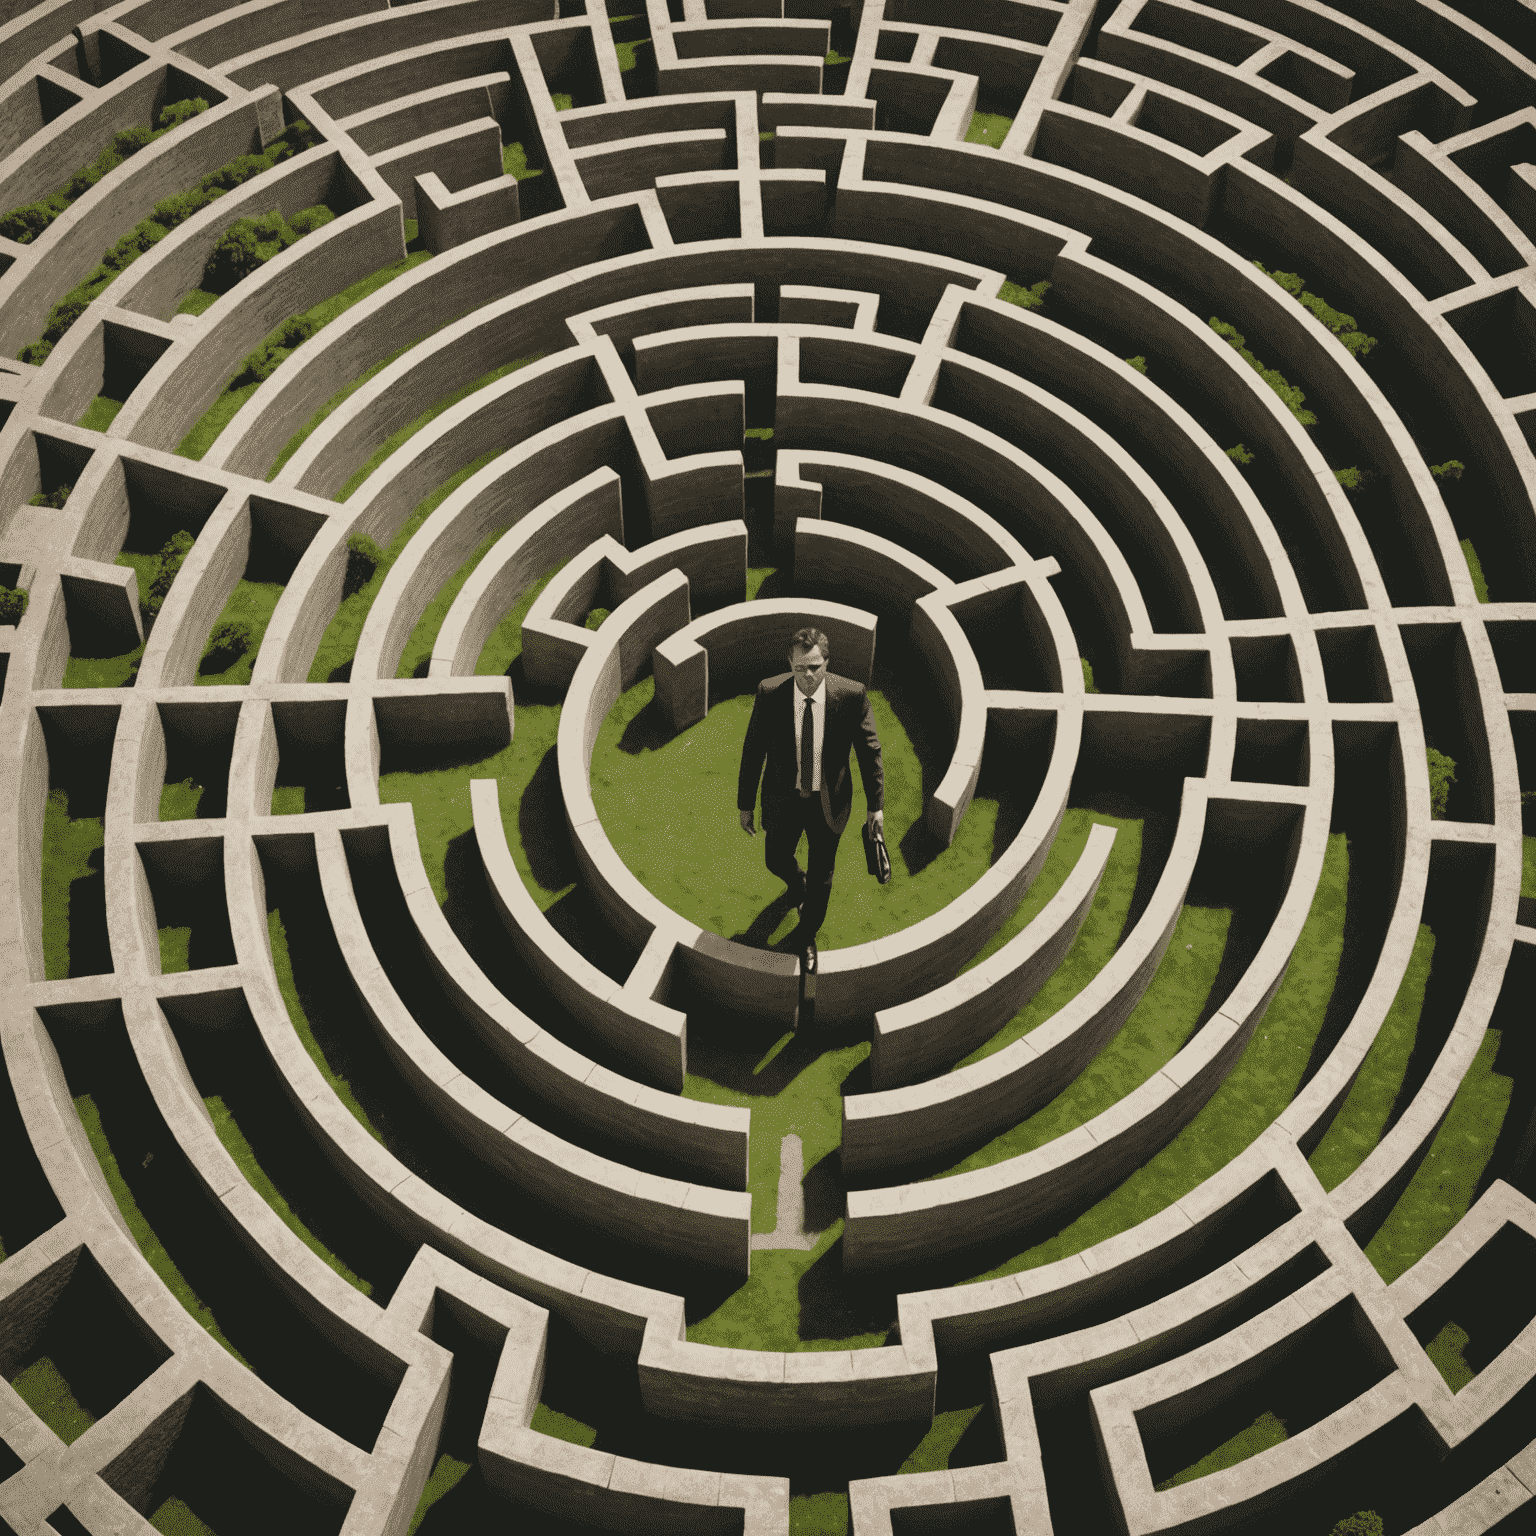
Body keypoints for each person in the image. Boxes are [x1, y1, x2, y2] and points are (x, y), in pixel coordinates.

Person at [737, 627, 884, 970]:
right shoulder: (770, 692)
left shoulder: (851, 694)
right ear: (789, 662)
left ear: (827, 663)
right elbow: (753, 750)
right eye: (801, 667)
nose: (808, 675)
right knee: (775, 859)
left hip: (828, 803)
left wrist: (875, 806)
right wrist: (745, 804)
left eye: (816, 667)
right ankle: (796, 883)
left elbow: (870, 751)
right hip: (782, 800)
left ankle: (806, 936)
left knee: (823, 876)